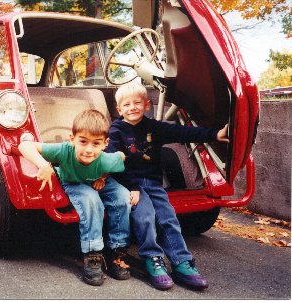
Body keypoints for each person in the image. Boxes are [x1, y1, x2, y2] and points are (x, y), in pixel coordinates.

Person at [105, 82, 229, 291]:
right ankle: (153, 259)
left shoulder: (154, 127)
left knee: (167, 217)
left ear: (147, 105)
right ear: (119, 109)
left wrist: (214, 134)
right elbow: (113, 163)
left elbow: (183, 133)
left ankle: (182, 263)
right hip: (130, 185)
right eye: (126, 104)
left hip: (153, 184)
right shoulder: (116, 131)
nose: (132, 107)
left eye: (137, 103)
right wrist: (131, 187)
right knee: (144, 217)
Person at [18, 109, 132, 286]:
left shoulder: (106, 159)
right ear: (72, 139)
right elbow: (25, 146)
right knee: (91, 199)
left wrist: (103, 177)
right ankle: (92, 254)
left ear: (105, 144)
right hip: (73, 181)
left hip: (97, 178)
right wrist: (43, 165)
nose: (88, 149)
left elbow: (121, 157)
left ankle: (117, 250)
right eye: (83, 142)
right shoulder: (64, 151)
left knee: (123, 196)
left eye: (96, 144)